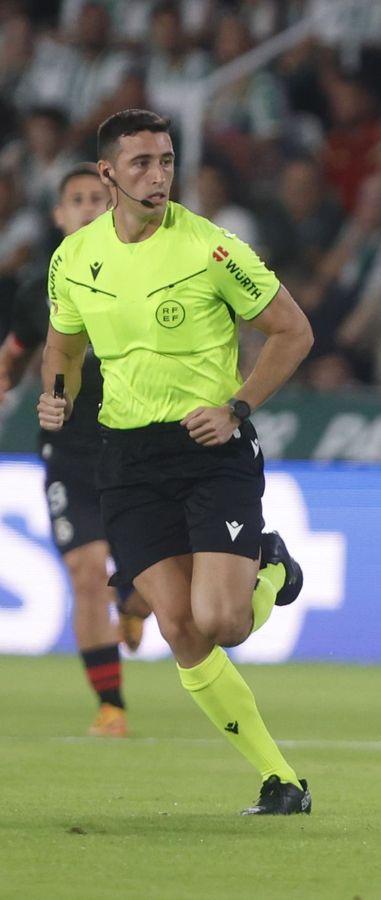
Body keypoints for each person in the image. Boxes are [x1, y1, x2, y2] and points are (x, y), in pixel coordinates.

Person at [35, 110, 317, 816]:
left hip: (208, 448)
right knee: (179, 628)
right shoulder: (74, 259)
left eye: (165, 161)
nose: (158, 175)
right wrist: (55, 395)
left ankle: (271, 564)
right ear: (107, 174)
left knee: (221, 621)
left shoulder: (211, 249)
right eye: (141, 163)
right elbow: (63, 345)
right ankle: (279, 780)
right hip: (126, 458)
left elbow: (293, 331)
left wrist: (238, 408)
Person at [0, 163, 151, 737]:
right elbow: (16, 344)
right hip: (68, 451)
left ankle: (136, 604)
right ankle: (111, 705)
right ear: (60, 216)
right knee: (87, 574)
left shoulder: (147, 268)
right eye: (77, 200)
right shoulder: (41, 284)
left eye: (97, 197)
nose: (88, 206)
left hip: (138, 446)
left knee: (152, 581)